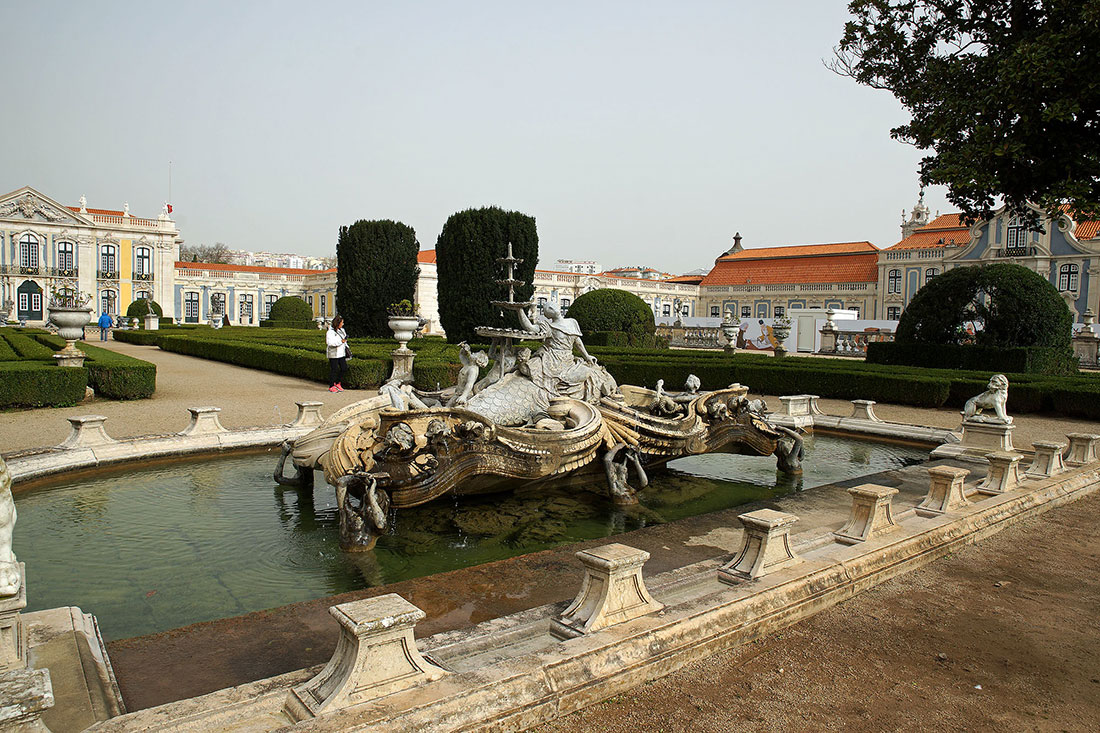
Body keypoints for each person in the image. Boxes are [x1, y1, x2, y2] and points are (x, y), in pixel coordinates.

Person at [326, 316, 349, 392]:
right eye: (342, 322)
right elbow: (330, 343)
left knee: (344, 368)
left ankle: (337, 383)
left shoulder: (342, 330)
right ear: (338, 323)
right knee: (334, 370)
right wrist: (340, 342)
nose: (343, 324)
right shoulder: (330, 332)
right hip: (333, 354)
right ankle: (331, 385)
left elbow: (344, 341)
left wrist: (347, 347)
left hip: (341, 353)